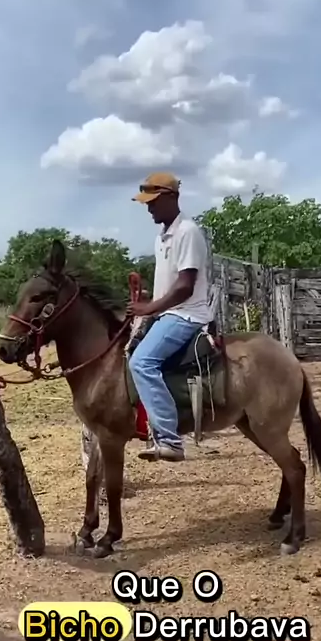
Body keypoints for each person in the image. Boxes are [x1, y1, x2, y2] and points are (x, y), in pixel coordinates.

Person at [126, 171, 211, 462]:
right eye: (146, 202)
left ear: (171, 197)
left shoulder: (187, 232)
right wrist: (147, 300)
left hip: (186, 314)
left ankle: (169, 439)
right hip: (168, 312)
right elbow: (170, 285)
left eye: (152, 201)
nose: (148, 208)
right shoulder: (162, 237)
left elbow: (185, 286)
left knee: (142, 362)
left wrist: (149, 309)